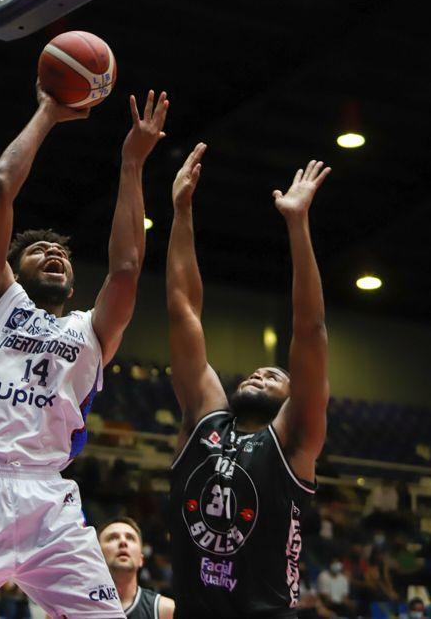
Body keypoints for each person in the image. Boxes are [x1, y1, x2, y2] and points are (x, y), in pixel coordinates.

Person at [0, 83, 168, 618]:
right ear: (14, 270)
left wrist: (131, 164)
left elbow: (125, 268)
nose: (53, 251)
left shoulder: (91, 332)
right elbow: (0, 188)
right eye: (37, 249)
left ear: (72, 285)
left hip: (49, 500)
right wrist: (49, 113)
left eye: (60, 252)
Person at [166, 147, 331, 617]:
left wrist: (297, 226)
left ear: (293, 397)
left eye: (276, 375)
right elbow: (183, 309)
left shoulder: (295, 440)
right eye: (258, 372)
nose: (261, 372)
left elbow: (311, 332)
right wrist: (181, 212)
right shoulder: (205, 418)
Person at [98, 517, 174, 619]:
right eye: (113, 538)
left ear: (141, 559)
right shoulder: (79, 607)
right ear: (96, 555)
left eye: (130, 538)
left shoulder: (165, 610)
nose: (123, 542)